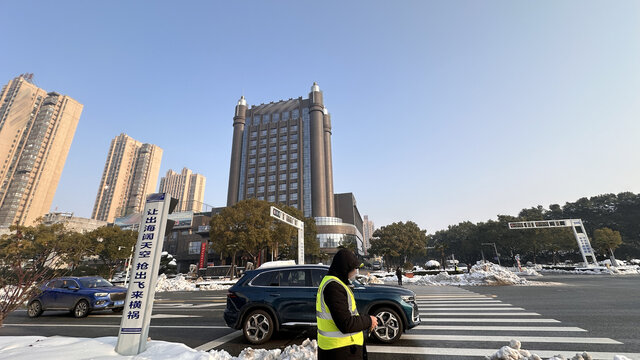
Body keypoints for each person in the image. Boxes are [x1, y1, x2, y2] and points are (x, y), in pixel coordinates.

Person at [316, 249, 378, 359]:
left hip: (339, 349)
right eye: (354, 268)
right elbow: (346, 323)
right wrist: (369, 320)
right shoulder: (334, 287)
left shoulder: (336, 283)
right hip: (340, 351)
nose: (355, 271)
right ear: (344, 268)